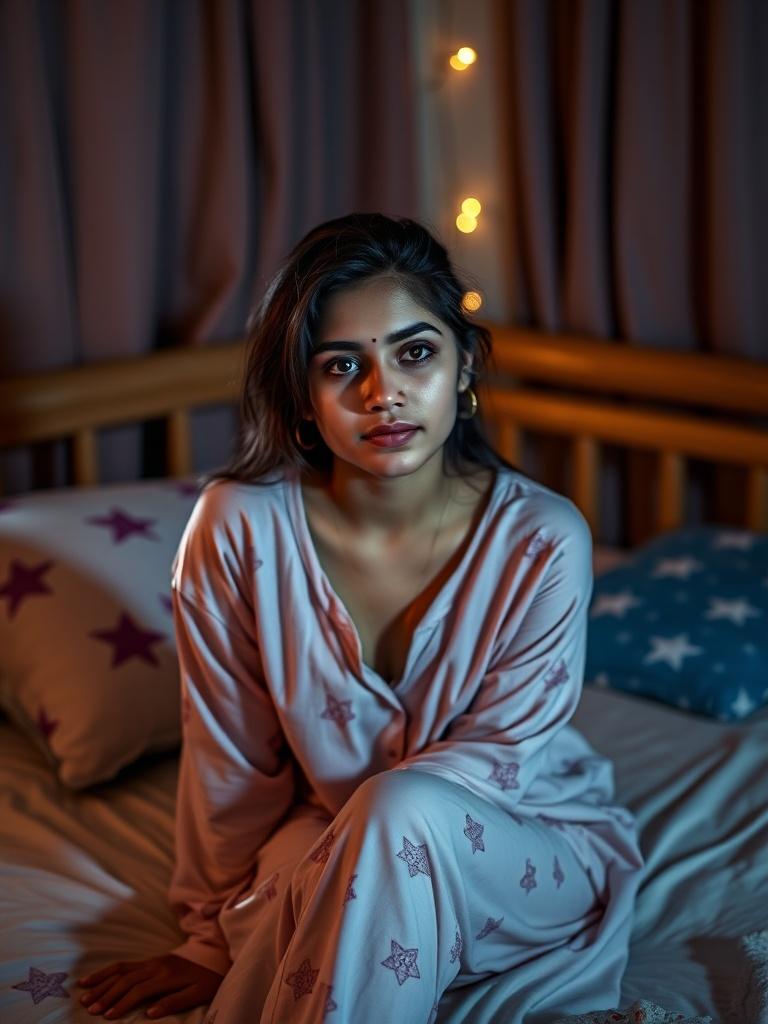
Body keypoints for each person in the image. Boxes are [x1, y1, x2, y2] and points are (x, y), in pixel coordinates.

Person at [77, 213, 644, 1024]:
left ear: (464, 367)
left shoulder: (541, 541)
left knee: (397, 812)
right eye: (342, 366)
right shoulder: (237, 528)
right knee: (376, 825)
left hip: (524, 835)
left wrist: (309, 890)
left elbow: (502, 762)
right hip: (328, 822)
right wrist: (209, 938)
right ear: (303, 402)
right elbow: (227, 757)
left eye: (416, 352)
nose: (384, 395)